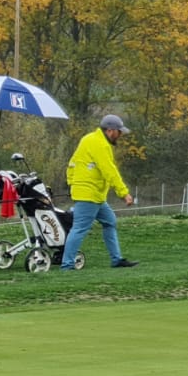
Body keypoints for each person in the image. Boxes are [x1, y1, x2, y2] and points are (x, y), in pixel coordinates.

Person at [59, 115, 139, 270]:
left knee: (110, 221)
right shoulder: (100, 145)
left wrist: (72, 184)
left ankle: (117, 260)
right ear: (110, 131)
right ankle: (67, 265)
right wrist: (124, 193)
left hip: (94, 194)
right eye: (119, 132)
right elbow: (109, 170)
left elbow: (72, 163)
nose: (120, 135)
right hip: (89, 194)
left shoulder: (88, 139)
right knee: (79, 228)